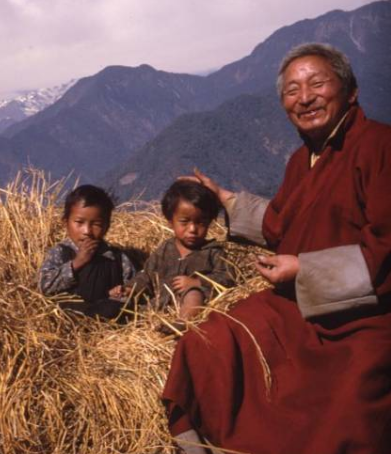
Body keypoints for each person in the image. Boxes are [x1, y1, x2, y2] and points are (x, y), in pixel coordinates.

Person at [162, 43, 391, 454]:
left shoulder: (380, 146)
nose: (304, 98)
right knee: (210, 340)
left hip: (367, 314)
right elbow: (282, 223)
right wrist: (225, 199)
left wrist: (304, 269)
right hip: (295, 304)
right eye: (291, 90)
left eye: (317, 83)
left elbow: (386, 246)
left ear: (351, 91)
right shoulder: (301, 161)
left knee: (354, 396)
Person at [119, 180, 234, 323]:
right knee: (123, 306)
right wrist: (131, 288)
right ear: (170, 221)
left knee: (193, 295)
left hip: (194, 303)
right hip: (158, 308)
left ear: (209, 222)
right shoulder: (165, 250)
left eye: (201, 222)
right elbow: (147, 276)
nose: (192, 229)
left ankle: (182, 323)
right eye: (184, 222)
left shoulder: (213, 252)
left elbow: (228, 278)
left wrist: (197, 283)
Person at [38, 184, 135, 320]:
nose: (87, 231)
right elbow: (44, 287)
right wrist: (77, 263)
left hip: (106, 313)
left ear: (107, 226)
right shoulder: (60, 252)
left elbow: (133, 288)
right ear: (66, 223)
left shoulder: (116, 258)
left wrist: (121, 293)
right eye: (79, 222)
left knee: (112, 309)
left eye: (96, 224)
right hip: (70, 314)